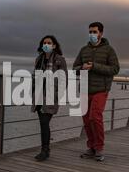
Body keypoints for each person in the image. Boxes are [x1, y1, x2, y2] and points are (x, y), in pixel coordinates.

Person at [73, 22, 120, 162]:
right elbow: (74, 68)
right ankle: (92, 147)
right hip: (84, 90)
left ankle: (99, 148)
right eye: (90, 32)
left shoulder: (109, 50)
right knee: (87, 120)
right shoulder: (83, 50)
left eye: (94, 32)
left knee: (95, 117)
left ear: (101, 33)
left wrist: (95, 66)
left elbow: (115, 69)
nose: (92, 34)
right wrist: (82, 67)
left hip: (100, 89)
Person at [31, 35, 68, 162]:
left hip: (51, 96)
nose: (46, 44)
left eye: (49, 42)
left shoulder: (59, 60)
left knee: (44, 122)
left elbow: (64, 79)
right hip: (39, 95)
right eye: (44, 42)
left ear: (54, 45)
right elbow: (34, 77)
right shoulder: (38, 59)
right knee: (42, 124)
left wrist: (57, 95)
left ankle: (45, 151)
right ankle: (45, 149)